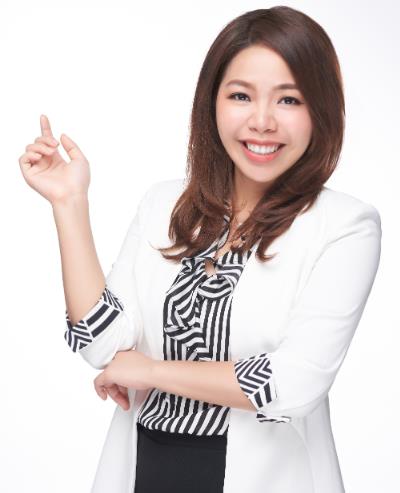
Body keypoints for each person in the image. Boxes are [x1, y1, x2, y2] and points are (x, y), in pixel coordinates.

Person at [18, 6, 382, 493]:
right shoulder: (165, 204)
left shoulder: (345, 227)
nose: (262, 121)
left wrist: (151, 371)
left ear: (321, 110)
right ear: (212, 103)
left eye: (289, 99)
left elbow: (293, 383)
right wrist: (69, 203)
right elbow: (103, 344)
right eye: (240, 95)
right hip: (145, 469)